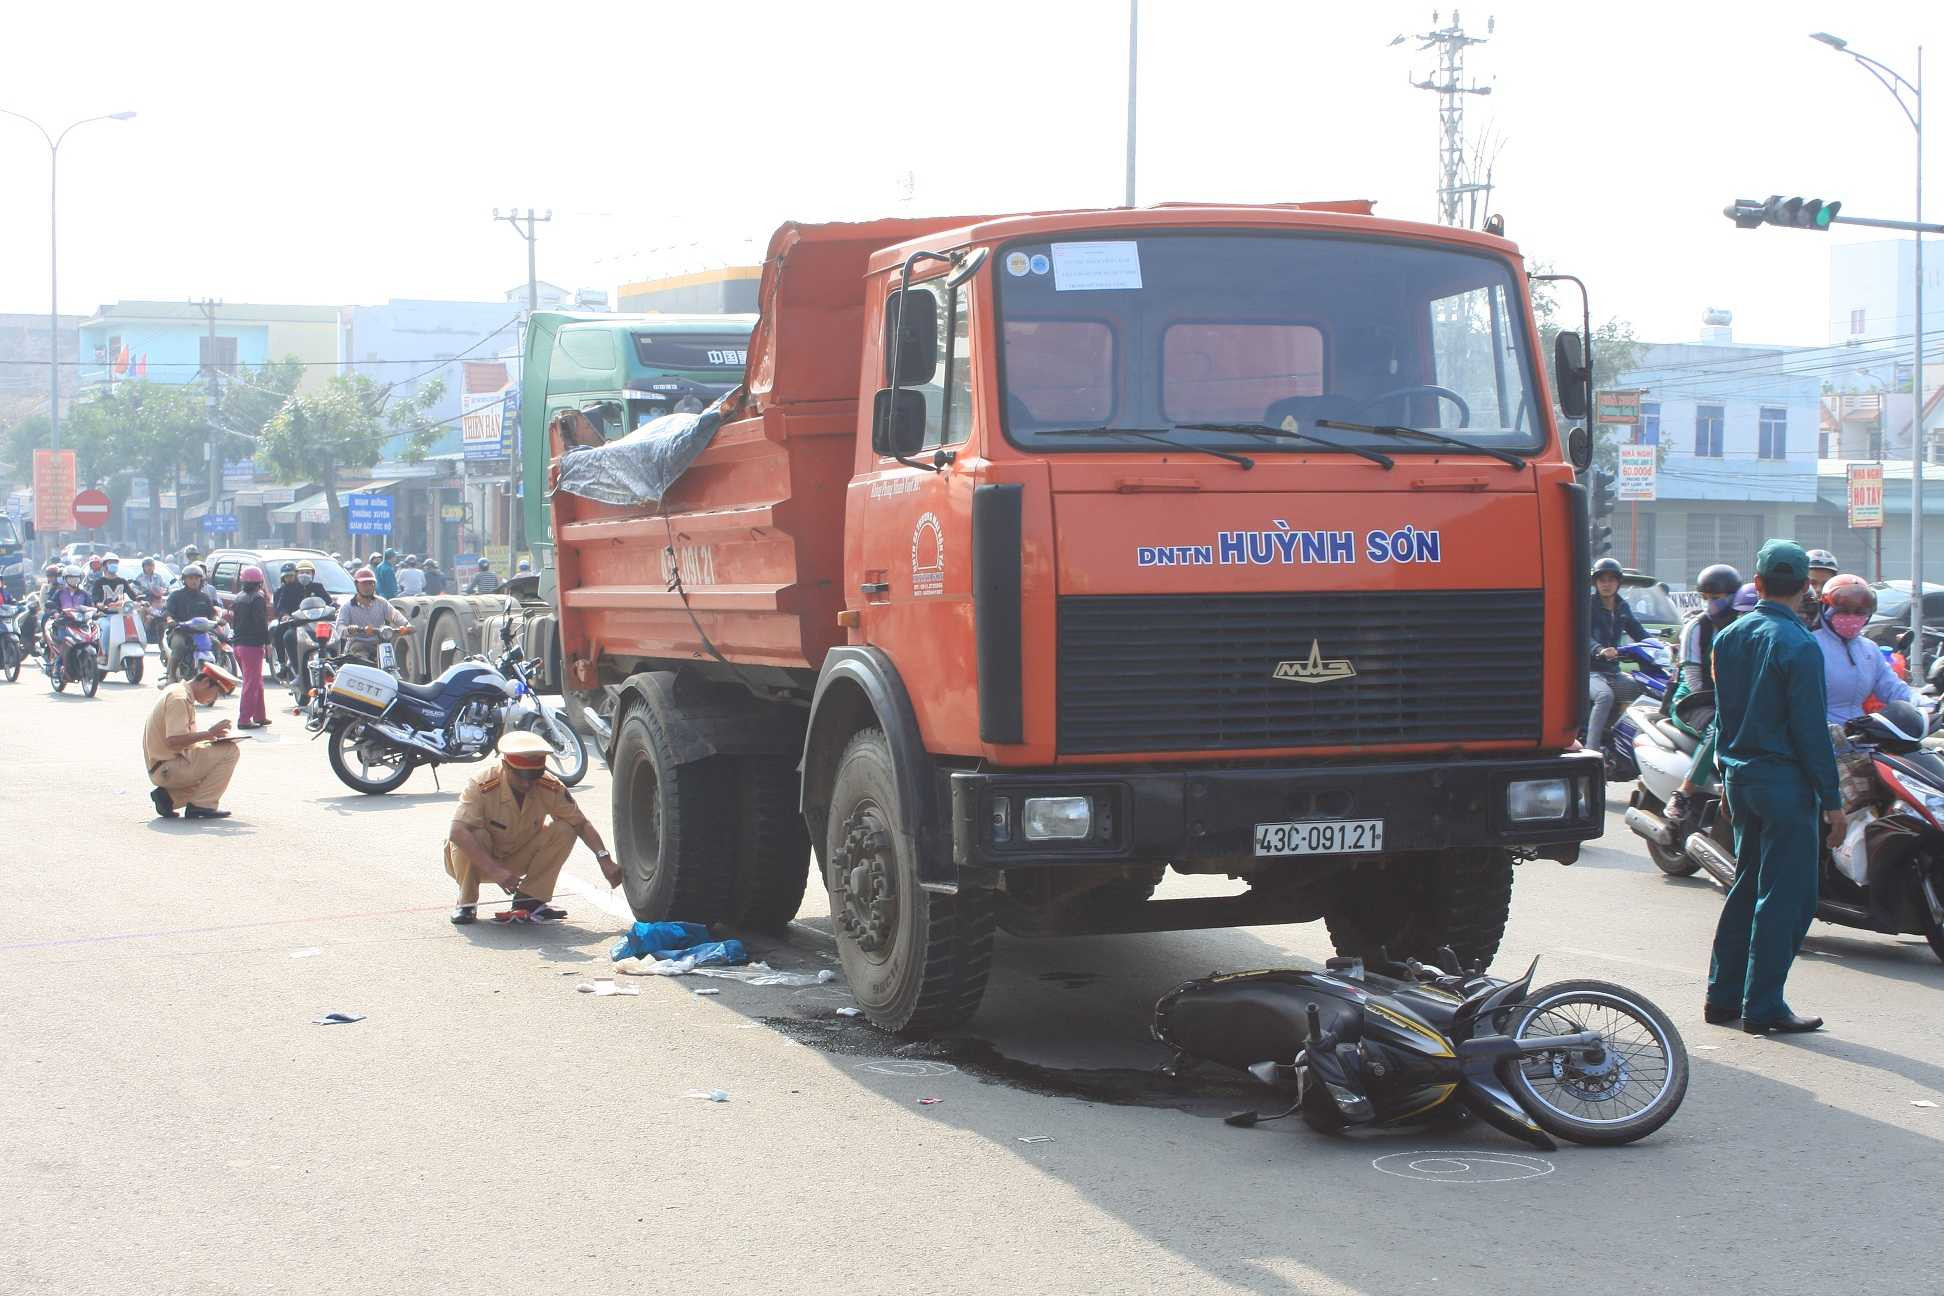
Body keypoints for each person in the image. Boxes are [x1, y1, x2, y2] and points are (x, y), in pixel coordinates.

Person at [1705, 540, 1844, 1036]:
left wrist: (1725, 779)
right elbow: (1810, 731)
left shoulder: (1728, 637)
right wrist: (1833, 801)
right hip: (1785, 784)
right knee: (1785, 898)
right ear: (1806, 587)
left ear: (1758, 583)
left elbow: (1723, 719)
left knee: (1746, 888)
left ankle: (1722, 996)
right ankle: (1762, 1005)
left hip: (1741, 779)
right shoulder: (1800, 645)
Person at [445, 731, 621, 925]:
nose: (527, 783)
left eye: (534, 775)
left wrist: (604, 859)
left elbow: (580, 823)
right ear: (505, 766)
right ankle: (466, 903)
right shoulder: (483, 784)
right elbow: (457, 832)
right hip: (476, 862)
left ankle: (529, 900)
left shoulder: (548, 786)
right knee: (474, 833)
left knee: (565, 829)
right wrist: (495, 871)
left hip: (516, 858)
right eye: (521, 776)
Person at [1663, 564, 1744, 825]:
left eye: (1716, 597)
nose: (1710, 603)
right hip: (1693, 701)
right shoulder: (1697, 627)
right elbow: (1693, 677)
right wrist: (1723, 703)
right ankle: (1683, 793)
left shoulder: (1743, 625)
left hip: (1734, 702)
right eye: (1705, 597)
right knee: (1718, 727)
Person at [144, 662, 243, 820]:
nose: (214, 699)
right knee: (230, 751)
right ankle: (202, 805)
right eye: (216, 693)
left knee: (213, 767)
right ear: (205, 682)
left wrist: (211, 738)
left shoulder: (178, 691)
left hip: (165, 765)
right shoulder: (179, 698)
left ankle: (169, 798)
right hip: (167, 767)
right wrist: (209, 734)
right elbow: (173, 741)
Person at [1814, 574, 1911, 725]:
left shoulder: (1869, 649)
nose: (1851, 617)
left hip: (1859, 732)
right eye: (1843, 611)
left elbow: (1893, 688)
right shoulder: (1812, 646)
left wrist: (1926, 705)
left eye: (1859, 612)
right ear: (1826, 610)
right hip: (1820, 732)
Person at [1586, 557, 1649, 755]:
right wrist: (1599, 650)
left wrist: (1662, 646)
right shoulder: (1588, 605)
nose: (1606, 584)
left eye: (1611, 579)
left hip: (1613, 671)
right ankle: (1591, 750)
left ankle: (1621, 742)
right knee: (1604, 696)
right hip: (1590, 671)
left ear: (1618, 582)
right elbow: (1583, 635)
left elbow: (1639, 632)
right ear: (1595, 583)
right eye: (1602, 580)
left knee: (1642, 691)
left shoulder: (1622, 607)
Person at [163, 563, 223, 682]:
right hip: (180, 631)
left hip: (201, 632)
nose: (194, 581)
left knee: (216, 644)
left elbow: (211, 614)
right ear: (184, 580)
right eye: (190, 578)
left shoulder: (204, 597)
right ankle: (171, 675)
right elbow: (168, 612)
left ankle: (216, 672)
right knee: (179, 646)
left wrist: (217, 620)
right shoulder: (176, 596)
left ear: (201, 580)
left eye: (197, 578)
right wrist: (170, 620)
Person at [335, 565, 413, 658]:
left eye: (371, 583)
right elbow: (339, 628)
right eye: (364, 584)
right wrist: (349, 630)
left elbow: (395, 615)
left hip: (379, 644)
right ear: (356, 584)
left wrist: (406, 625)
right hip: (358, 645)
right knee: (360, 659)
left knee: (394, 658)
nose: (368, 587)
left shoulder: (382, 603)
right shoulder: (347, 607)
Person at [230, 566, 272, 729]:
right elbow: (261, 623)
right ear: (260, 582)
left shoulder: (239, 597)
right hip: (252, 646)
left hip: (239, 645)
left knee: (256, 681)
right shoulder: (258, 598)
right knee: (251, 683)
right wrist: (267, 642)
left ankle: (260, 716)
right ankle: (244, 719)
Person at [1798, 549, 1839, 629]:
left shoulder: (1838, 615)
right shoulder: (1790, 610)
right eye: (1812, 583)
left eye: (1825, 584)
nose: (1818, 589)